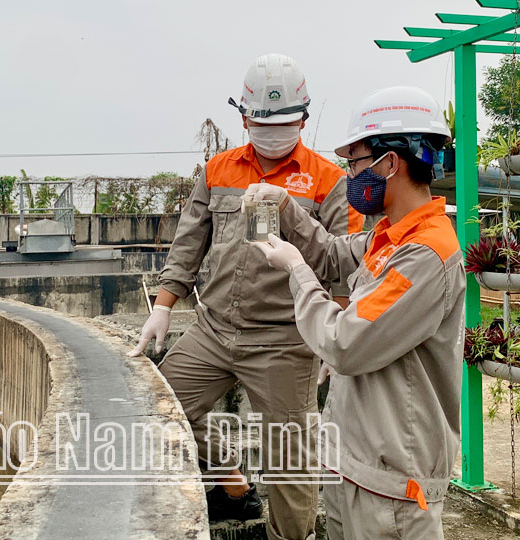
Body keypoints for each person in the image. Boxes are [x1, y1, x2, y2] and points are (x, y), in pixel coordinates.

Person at [127, 53, 363, 540]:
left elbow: (346, 263)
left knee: (291, 461)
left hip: (286, 339)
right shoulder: (219, 169)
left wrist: (336, 337)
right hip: (213, 329)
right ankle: (233, 482)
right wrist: (165, 306)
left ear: (304, 116)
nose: (273, 132)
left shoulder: (329, 180)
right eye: (262, 122)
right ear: (244, 118)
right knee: (161, 406)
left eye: (284, 122)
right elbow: (190, 240)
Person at [248, 86, 465, 539]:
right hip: (358, 468)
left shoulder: (425, 254)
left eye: (356, 163)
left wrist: (295, 270)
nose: (351, 176)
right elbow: (331, 254)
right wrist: (286, 207)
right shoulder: (390, 238)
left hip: (393, 489)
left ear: (390, 163)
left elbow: (345, 343)